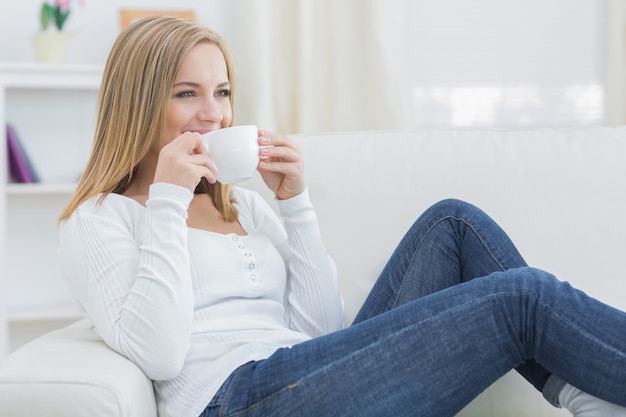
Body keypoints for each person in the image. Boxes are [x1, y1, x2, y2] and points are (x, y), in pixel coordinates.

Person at [57, 15, 626, 417]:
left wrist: (294, 202)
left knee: (453, 225)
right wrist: (167, 200)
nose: (214, 114)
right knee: (521, 297)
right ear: (139, 104)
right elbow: (158, 354)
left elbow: (320, 333)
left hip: (300, 375)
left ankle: (591, 400)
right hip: (234, 399)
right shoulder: (99, 220)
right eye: (188, 94)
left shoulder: (244, 205)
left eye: (223, 92)